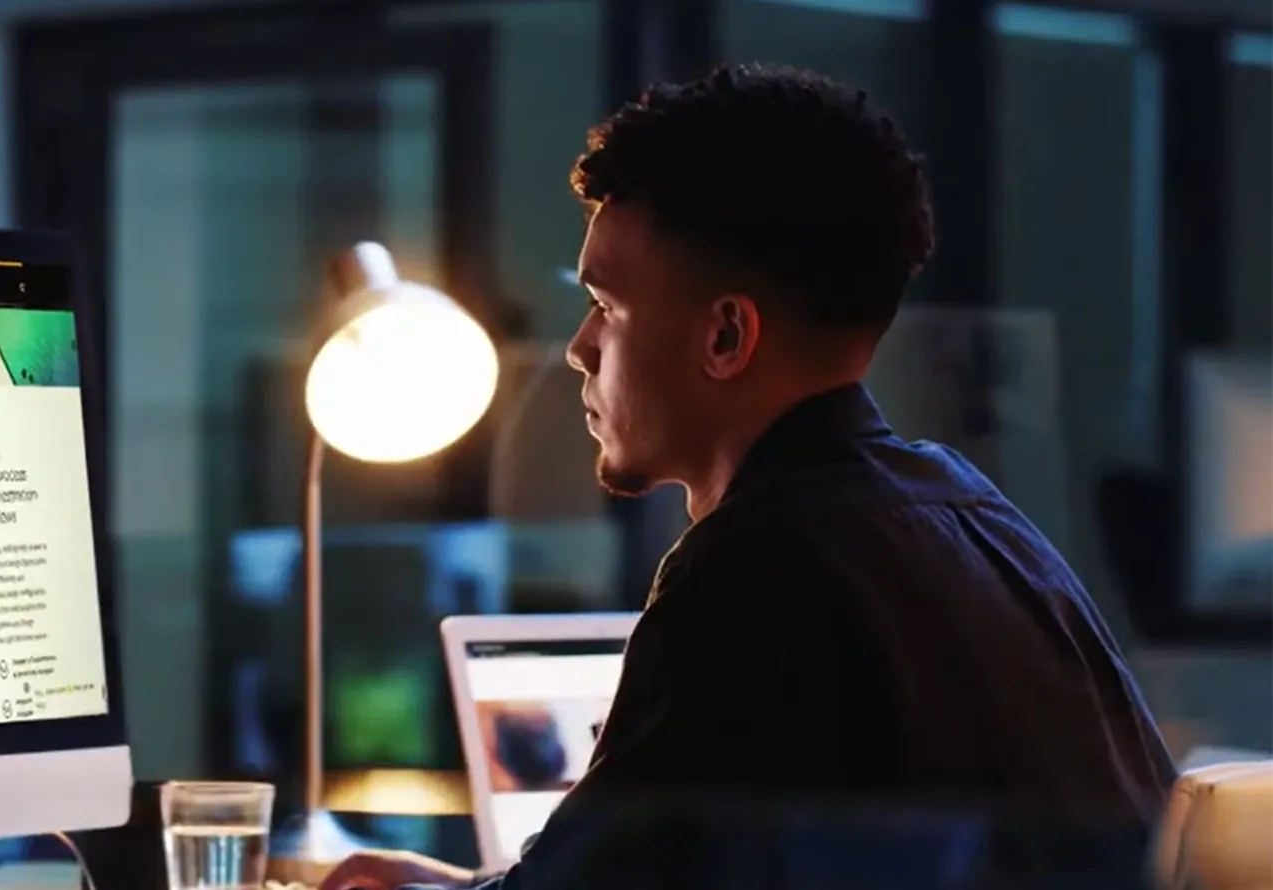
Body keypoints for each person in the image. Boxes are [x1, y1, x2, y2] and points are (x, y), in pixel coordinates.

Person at [319, 63, 1175, 890]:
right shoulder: (975, 515)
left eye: (606, 307)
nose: (579, 349)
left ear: (726, 336)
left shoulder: (756, 564)